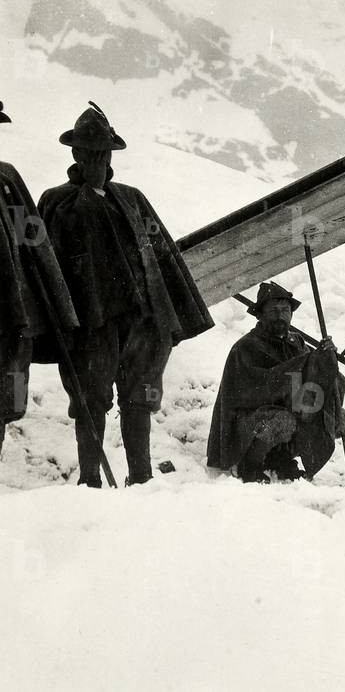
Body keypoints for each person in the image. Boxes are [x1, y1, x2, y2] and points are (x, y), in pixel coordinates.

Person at [38, 103, 213, 486]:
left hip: (141, 322)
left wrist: (170, 313)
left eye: (104, 152)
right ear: (75, 154)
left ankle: (142, 477)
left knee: (139, 399)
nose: (97, 159)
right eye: (90, 152)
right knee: (90, 401)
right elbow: (46, 264)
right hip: (91, 325)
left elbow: (160, 251)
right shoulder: (57, 201)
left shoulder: (133, 199)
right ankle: (90, 480)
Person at [206, 282, 345, 482]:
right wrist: (297, 369)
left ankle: (280, 457)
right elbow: (260, 387)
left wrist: (325, 359)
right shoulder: (246, 347)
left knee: (332, 416)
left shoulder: (296, 342)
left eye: (285, 310)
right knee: (283, 421)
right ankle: (250, 463)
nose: (280, 316)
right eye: (273, 311)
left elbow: (311, 375)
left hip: (286, 409)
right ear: (260, 315)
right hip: (248, 419)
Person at [0, 101, 79, 455]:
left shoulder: (6, 181)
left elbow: (33, 241)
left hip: (12, 320)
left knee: (8, 400)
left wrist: (47, 295)